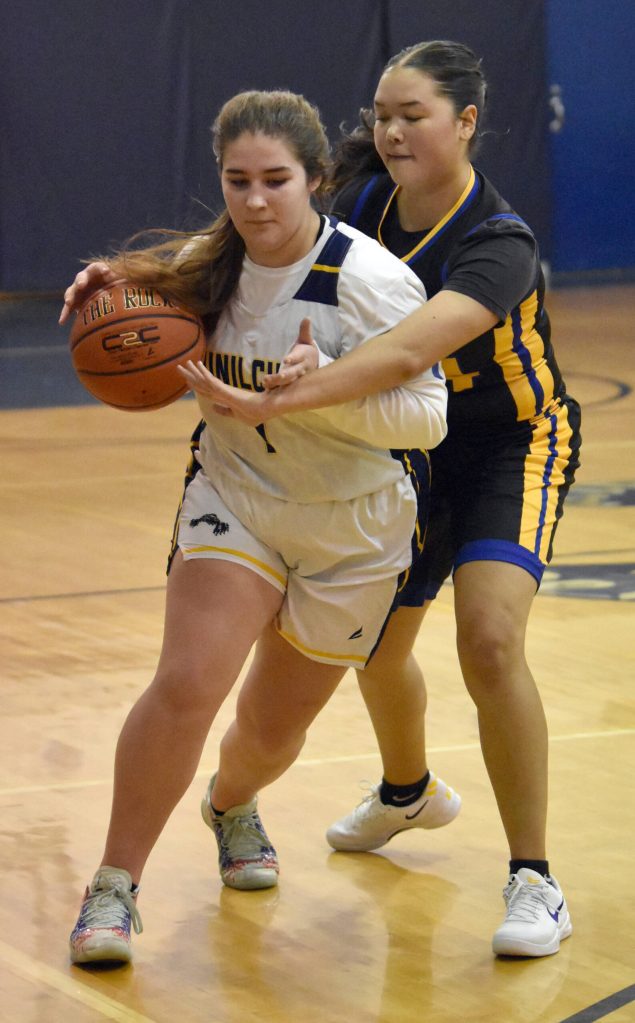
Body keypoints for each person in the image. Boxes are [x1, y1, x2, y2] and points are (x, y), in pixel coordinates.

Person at [191, 42, 581, 959]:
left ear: (467, 122)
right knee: (373, 643)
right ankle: (407, 792)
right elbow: (247, 240)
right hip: (402, 443)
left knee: (487, 639)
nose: (391, 130)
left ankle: (535, 879)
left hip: (504, 447)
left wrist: (293, 392)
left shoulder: (498, 239)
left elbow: (409, 352)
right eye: (380, 114)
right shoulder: (362, 203)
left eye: (413, 113)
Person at [60, 88, 455, 966]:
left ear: (314, 179)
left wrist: (324, 391)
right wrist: (105, 288)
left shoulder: (370, 280)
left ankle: (231, 804)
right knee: (188, 681)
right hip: (236, 493)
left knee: (268, 735)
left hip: (352, 525)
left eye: (275, 180)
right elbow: (142, 292)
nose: (254, 200)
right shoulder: (216, 259)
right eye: (236, 181)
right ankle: (112, 888)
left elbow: (428, 417)